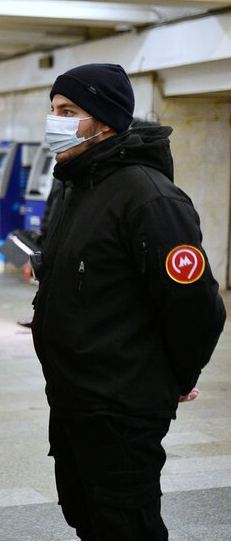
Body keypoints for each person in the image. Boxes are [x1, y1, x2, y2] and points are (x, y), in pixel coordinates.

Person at [31, 63, 226, 540]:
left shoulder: (150, 199)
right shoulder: (78, 185)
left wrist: (175, 378)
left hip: (120, 405)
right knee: (87, 515)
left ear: (105, 120)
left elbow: (198, 305)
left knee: (126, 524)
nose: (55, 120)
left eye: (69, 110)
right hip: (74, 398)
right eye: (54, 109)